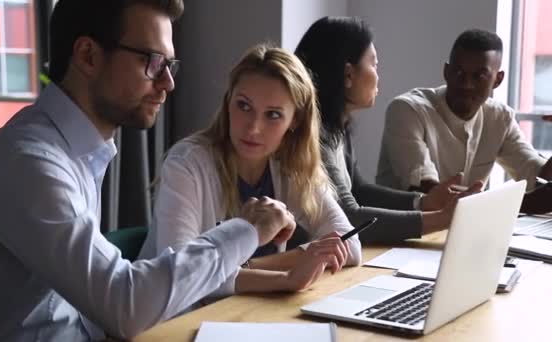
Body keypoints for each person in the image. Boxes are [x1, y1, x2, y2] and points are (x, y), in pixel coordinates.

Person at [0, 1, 300, 341]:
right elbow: (124, 305)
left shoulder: (76, 151)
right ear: (88, 56)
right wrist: (247, 229)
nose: (168, 83)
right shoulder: (30, 164)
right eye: (153, 62)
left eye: (169, 65)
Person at [139, 44, 361, 299]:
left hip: (243, 313)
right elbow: (182, 276)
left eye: (273, 115)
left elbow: (350, 243)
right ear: (228, 101)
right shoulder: (187, 164)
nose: (253, 128)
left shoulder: (290, 164)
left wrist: (249, 268)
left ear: (295, 121)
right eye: (244, 106)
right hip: (171, 320)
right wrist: (288, 275)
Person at [294, 16, 481, 243]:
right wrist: (441, 219)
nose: (378, 74)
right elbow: (348, 219)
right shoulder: (310, 134)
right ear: (348, 75)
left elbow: (358, 189)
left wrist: (423, 202)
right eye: (373, 64)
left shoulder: (335, 125)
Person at [376, 28, 552, 214]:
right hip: (401, 231)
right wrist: (509, 204)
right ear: (446, 71)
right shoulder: (408, 110)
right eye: (459, 72)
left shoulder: (500, 117)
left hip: (460, 229)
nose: (467, 84)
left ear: (498, 79)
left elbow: (539, 180)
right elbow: (432, 193)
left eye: (480, 76)